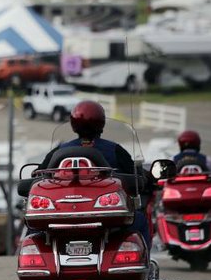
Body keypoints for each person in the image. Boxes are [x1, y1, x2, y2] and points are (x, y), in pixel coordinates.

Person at [37, 100, 150, 248]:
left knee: (33, 228)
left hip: (64, 213)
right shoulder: (115, 150)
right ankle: (144, 262)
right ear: (101, 122)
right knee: (140, 220)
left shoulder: (59, 151)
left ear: (73, 123)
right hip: (106, 216)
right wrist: (144, 180)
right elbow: (134, 177)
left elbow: (39, 176)